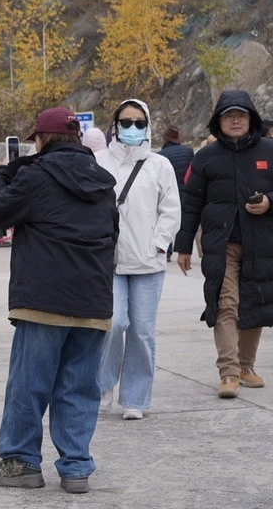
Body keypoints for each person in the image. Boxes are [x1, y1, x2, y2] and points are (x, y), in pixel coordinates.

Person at [0, 107, 118, 494]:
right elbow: (113, 234)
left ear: (40, 140)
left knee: (29, 384)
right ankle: (76, 468)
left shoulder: (33, 175)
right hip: (93, 302)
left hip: (44, 300)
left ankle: (21, 462)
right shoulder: (103, 183)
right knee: (79, 387)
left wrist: (3, 172)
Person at [174, 90, 273, 398]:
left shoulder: (271, 151)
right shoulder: (206, 157)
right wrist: (184, 245)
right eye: (229, 115)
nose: (235, 120)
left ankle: (246, 366)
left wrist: (271, 201)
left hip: (261, 243)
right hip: (222, 245)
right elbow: (191, 203)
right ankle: (229, 372)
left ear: (251, 119)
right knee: (226, 304)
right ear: (218, 121)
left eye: (241, 115)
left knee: (255, 304)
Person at [95, 100, 181, 421]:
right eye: (126, 122)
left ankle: (135, 397)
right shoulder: (98, 162)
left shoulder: (160, 165)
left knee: (143, 332)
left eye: (139, 123)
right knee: (113, 324)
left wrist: (158, 244)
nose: (133, 128)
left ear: (148, 126)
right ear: (115, 125)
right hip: (110, 261)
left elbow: (171, 210)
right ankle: (103, 384)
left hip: (148, 263)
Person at [158, 125, 193, 260]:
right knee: (184, 220)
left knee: (166, 219)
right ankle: (184, 249)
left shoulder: (161, 155)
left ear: (166, 139)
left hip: (169, 191)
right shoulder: (188, 151)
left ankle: (167, 251)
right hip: (186, 190)